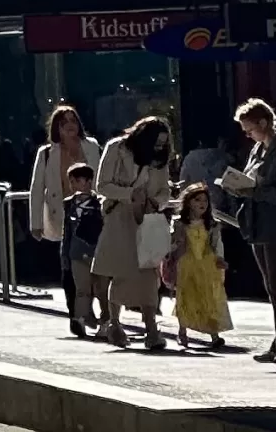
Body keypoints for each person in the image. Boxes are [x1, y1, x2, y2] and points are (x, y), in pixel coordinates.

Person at [224, 99, 276, 370]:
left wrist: (254, 191)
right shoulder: (259, 149)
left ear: (264, 123)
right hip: (258, 225)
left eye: (249, 129)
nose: (247, 135)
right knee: (274, 287)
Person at [90, 116, 176, 349]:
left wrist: (156, 202)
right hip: (120, 215)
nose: (159, 148)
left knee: (148, 272)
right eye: (156, 143)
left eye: (163, 144)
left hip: (148, 218)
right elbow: (102, 185)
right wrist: (129, 195)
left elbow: (165, 190)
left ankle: (151, 328)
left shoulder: (159, 159)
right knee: (122, 270)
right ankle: (114, 323)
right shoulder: (116, 148)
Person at [27, 106, 102, 336]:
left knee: (94, 268)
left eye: (73, 120)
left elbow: (99, 178)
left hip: (91, 216)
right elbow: (37, 187)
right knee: (69, 266)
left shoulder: (91, 147)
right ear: (56, 128)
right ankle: (75, 314)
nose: (70, 125)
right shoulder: (47, 153)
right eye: (64, 122)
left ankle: (89, 310)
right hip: (62, 216)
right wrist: (35, 223)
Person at [167, 183, 232, 350]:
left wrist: (220, 258)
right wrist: (170, 255)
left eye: (205, 201)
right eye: (197, 200)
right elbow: (173, 243)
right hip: (186, 263)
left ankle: (214, 334)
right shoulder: (180, 223)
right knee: (185, 297)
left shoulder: (212, 224)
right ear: (188, 202)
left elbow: (217, 244)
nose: (202, 204)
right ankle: (182, 331)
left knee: (209, 296)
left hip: (206, 263)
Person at [61, 166, 106, 337]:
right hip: (76, 252)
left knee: (102, 289)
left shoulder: (99, 203)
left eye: (77, 181)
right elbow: (67, 232)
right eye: (71, 181)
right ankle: (79, 319)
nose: (73, 185)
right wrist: (64, 254)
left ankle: (105, 321)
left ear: (88, 182)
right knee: (82, 288)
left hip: (98, 251)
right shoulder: (69, 204)